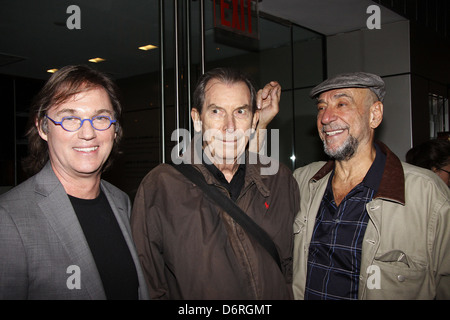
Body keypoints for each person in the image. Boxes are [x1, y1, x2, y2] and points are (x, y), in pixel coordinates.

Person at [130, 67, 299, 299]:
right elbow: (148, 284)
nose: (229, 126)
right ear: (197, 119)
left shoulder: (279, 179)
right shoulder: (161, 187)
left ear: (254, 120)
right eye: (217, 111)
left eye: (240, 111)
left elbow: (293, 272)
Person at [284, 72, 450, 300]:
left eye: (342, 104)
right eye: (321, 107)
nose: (325, 118)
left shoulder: (427, 194)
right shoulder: (303, 181)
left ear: (375, 114)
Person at [0, 65, 149, 299]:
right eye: (70, 118)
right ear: (43, 127)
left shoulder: (122, 202)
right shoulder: (9, 218)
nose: (88, 133)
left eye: (100, 117)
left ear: (115, 129)